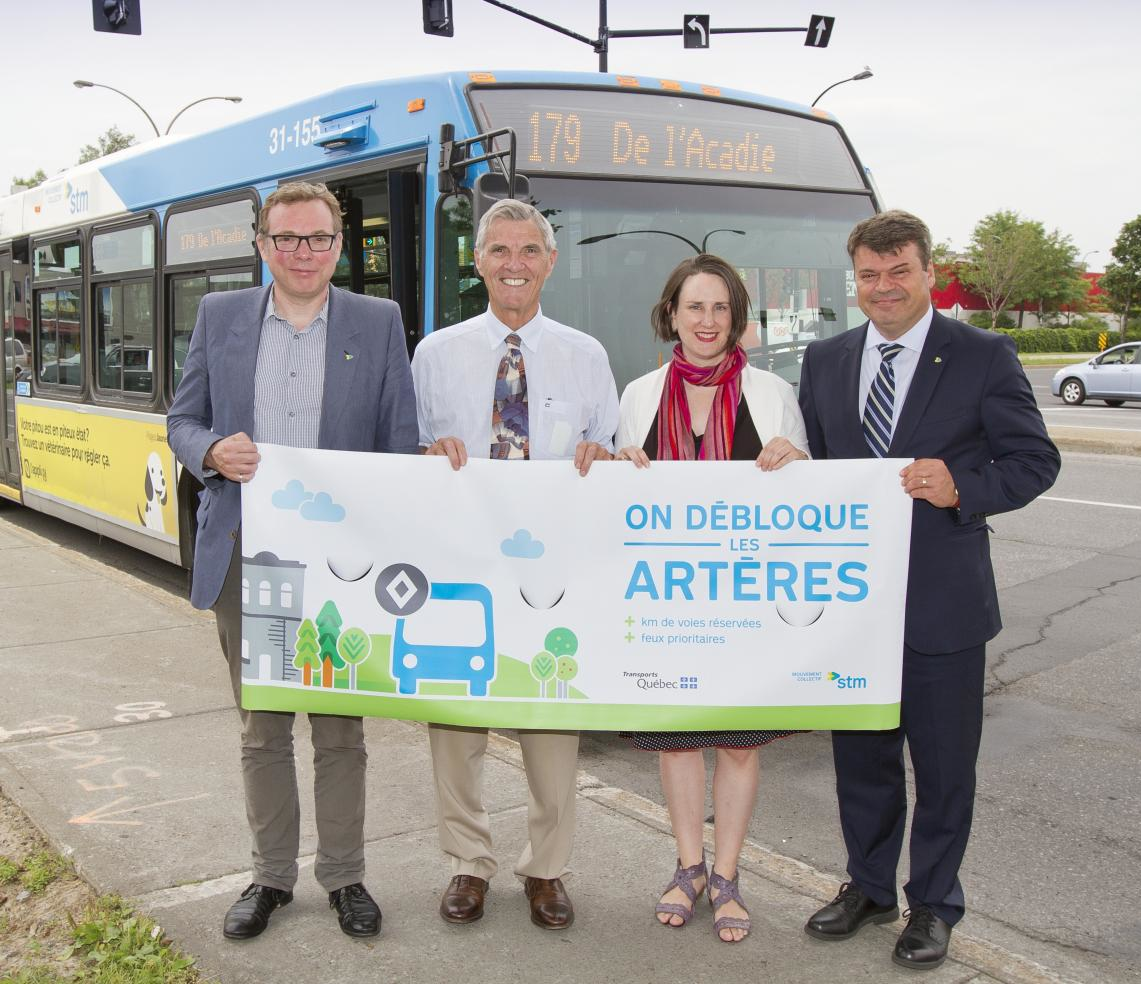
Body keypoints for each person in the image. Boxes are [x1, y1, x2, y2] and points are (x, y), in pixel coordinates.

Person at [797, 210, 1060, 970]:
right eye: (869, 275)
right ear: (855, 280)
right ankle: (869, 888)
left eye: (899, 272)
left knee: (943, 770)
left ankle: (935, 905)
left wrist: (961, 486)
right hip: (853, 605)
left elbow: (1034, 461)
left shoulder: (983, 355)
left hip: (943, 606)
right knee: (862, 761)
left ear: (928, 273)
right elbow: (817, 466)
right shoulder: (826, 359)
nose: (884, 287)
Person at [167, 181, 418, 941]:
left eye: (317, 238)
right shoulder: (220, 316)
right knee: (262, 730)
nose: (302, 252)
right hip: (249, 558)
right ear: (262, 245)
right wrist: (212, 450)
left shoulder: (378, 322)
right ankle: (270, 877)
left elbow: (397, 443)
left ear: (340, 246)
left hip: (339, 566)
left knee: (340, 732)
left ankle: (344, 877)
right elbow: (182, 420)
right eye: (286, 238)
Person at [410, 198, 619, 930]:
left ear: (550, 262)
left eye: (529, 250)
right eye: (499, 250)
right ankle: (468, 863)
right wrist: (425, 454)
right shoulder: (435, 355)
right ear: (478, 262)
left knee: (552, 722)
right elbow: (405, 458)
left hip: (550, 573)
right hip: (459, 564)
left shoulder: (587, 355)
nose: (514, 264)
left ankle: (547, 869)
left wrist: (603, 456)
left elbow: (613, 454)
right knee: (455, 725)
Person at [613, 254, 809, 943]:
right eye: (694, 306)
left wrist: (800, 464)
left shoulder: (773, 394)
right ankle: (688, 866)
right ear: (671, 314)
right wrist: (618, 468)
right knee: (677, 741)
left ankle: (726, 875)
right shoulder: (638, 395)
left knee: (738, 744)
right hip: (666, 600)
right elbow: (617, 501)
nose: (707, 320)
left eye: (720, 308)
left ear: (737, 318)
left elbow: (810, 497)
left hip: (746, 601)